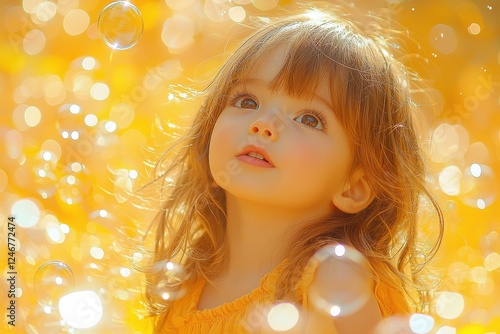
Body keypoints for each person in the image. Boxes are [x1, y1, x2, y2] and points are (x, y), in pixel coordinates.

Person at [140, 4, 444, 333]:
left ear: (353, 186)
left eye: (309, 119)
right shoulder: (190, 282)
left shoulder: (332, 280)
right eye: (247, 101)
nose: (263, 124)